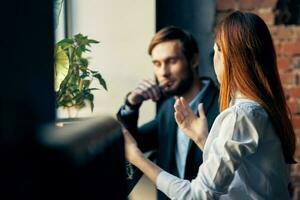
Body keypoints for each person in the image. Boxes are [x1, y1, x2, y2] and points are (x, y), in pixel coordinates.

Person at [123, 11, 296, 199]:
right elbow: (242, 176)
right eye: (156, 63)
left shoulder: (241, 114)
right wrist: (202, 139)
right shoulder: (255, 109)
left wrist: (136, 158)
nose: (163, 72)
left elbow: (198, 196)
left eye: (217, 50)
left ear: (227, 57)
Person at [117, 26, 219, 199]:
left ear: (193, 60)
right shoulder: (167, 109)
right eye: (157, 64)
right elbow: (133, 143)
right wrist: (131, 105)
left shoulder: (222, 106)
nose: (163, 72)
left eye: (171, 61)